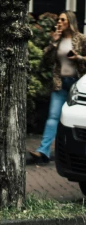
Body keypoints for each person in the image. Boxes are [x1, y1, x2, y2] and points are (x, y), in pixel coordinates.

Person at [30, 11, 86, 164]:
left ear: (70, 21)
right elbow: (46, 60)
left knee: (80, 120)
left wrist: (78, 58)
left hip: (78, 85)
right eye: (58, 20)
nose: (59, 22)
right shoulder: (58, 39)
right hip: (60, 83)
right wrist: (53, 43)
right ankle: (43, 151)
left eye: (62, 19)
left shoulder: (81, 39)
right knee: (53, 117)